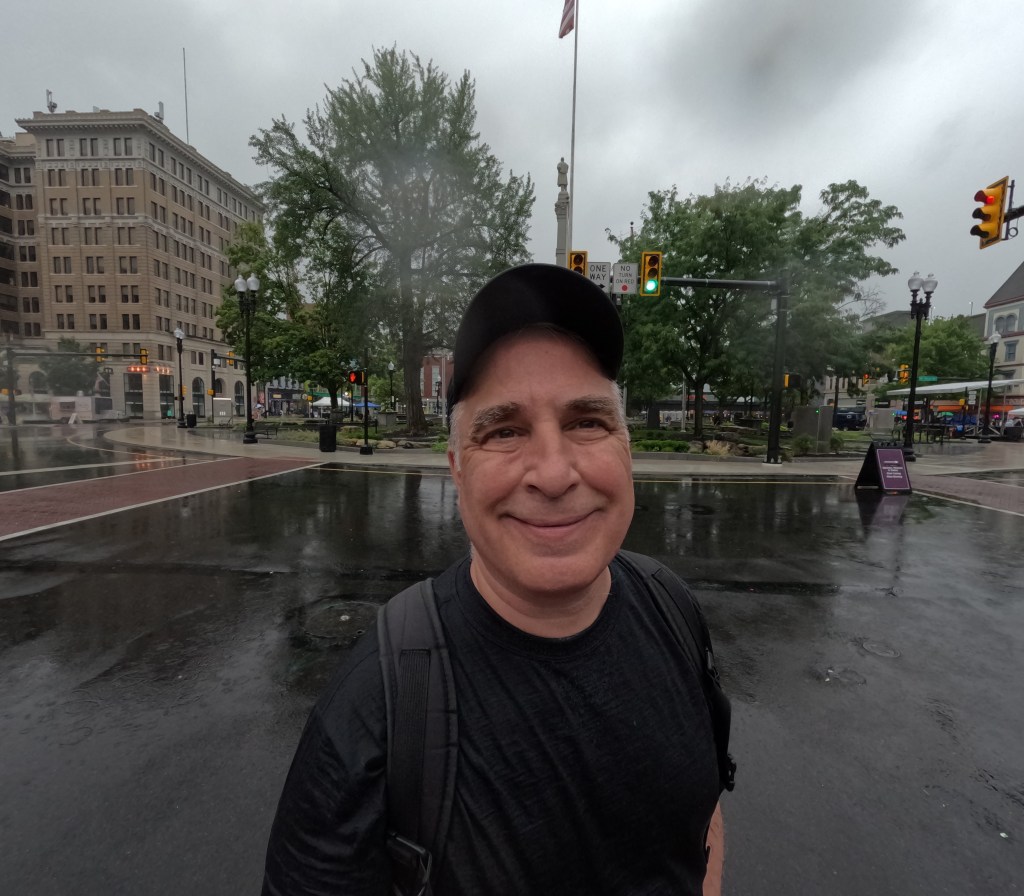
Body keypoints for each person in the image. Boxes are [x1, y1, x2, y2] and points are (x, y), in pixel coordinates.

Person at [262, 263, 729, 896]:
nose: (554, 474)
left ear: (626, 446)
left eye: (587, 422)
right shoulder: (379, 708)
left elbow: (701, 819)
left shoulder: (672, 609)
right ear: (457, 468)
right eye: (505, 431)